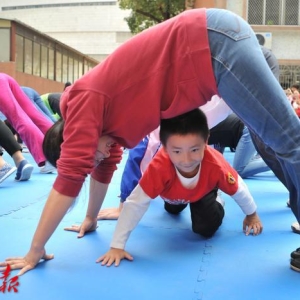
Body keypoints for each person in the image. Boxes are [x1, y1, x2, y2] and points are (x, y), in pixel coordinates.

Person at [1, 8, 300, 275]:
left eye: (92, 157)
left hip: (213, 44)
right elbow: (106, 170)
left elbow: (70, 177)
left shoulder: (83, 100)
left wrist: (35, 249)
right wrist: (91, 217)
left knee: (289, 143)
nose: (101, 159)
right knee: (278, 145)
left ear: (74, 137)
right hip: (214, 50)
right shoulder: (109, 127)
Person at [98, 109, 263, 266]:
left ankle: (216, 196)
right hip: (173, 193)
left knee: (205, 228)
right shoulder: (159, 167)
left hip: (203, 191)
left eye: (194, 150)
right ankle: (178, 202)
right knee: (172, 210)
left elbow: (238, 188)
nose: (186, 160)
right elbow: (135, 203)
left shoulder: (215, 164)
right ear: (164, 146)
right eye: (177, 151)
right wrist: (117, 246)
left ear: (206, 141)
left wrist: (252, 214)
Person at [0, 73, 54, 173]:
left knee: (18, 119)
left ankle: (47, 159)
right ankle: (63, 147)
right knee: (35, 116)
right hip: (5, 77)